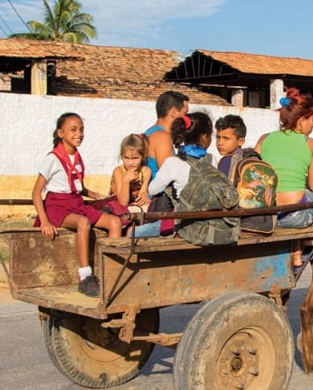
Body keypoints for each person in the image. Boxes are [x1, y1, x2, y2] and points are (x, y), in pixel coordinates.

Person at [32, 112, 121, 298]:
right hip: (58, 206)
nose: (79, 133)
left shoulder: (77, 158)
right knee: (83, 222)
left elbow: (77, 187)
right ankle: (85, 276)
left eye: (81, 129)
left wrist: (97, 195)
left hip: (76, 203)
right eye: (73, 129)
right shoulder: (53, 159)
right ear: (60, 133)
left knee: (114, 222)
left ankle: (111, 273)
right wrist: (45, 221)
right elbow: (36, 192)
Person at [255, 87, 313, 273]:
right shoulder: (312, 144)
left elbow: (252, 172)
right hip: (293, 218)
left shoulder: (264, 139)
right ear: (302, 120)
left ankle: (296, 251)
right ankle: (307, 240)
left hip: (266, 216)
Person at [130, 112, 218, 237]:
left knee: (132, 233)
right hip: (205, 221)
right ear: (204, 137)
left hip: (182, 222)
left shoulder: (173, 162)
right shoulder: (211, 159)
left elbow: (153, 189)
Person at [144, 91, 190, 180]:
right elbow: (169, 176)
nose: (186, 119)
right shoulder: (162, 137)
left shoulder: (151, 132)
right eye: (185, 114)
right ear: (173, 112)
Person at [109, 133, 151, 212]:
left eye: (135, 158)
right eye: (126, 158)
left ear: (143, 156)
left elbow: (142, 194)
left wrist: (144, 195)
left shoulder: (146, 172)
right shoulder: (119, 171)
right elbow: (122, 203)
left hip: (134, 206)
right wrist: (126, 181)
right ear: (121, 156)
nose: (130, 162)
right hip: (117, 207)